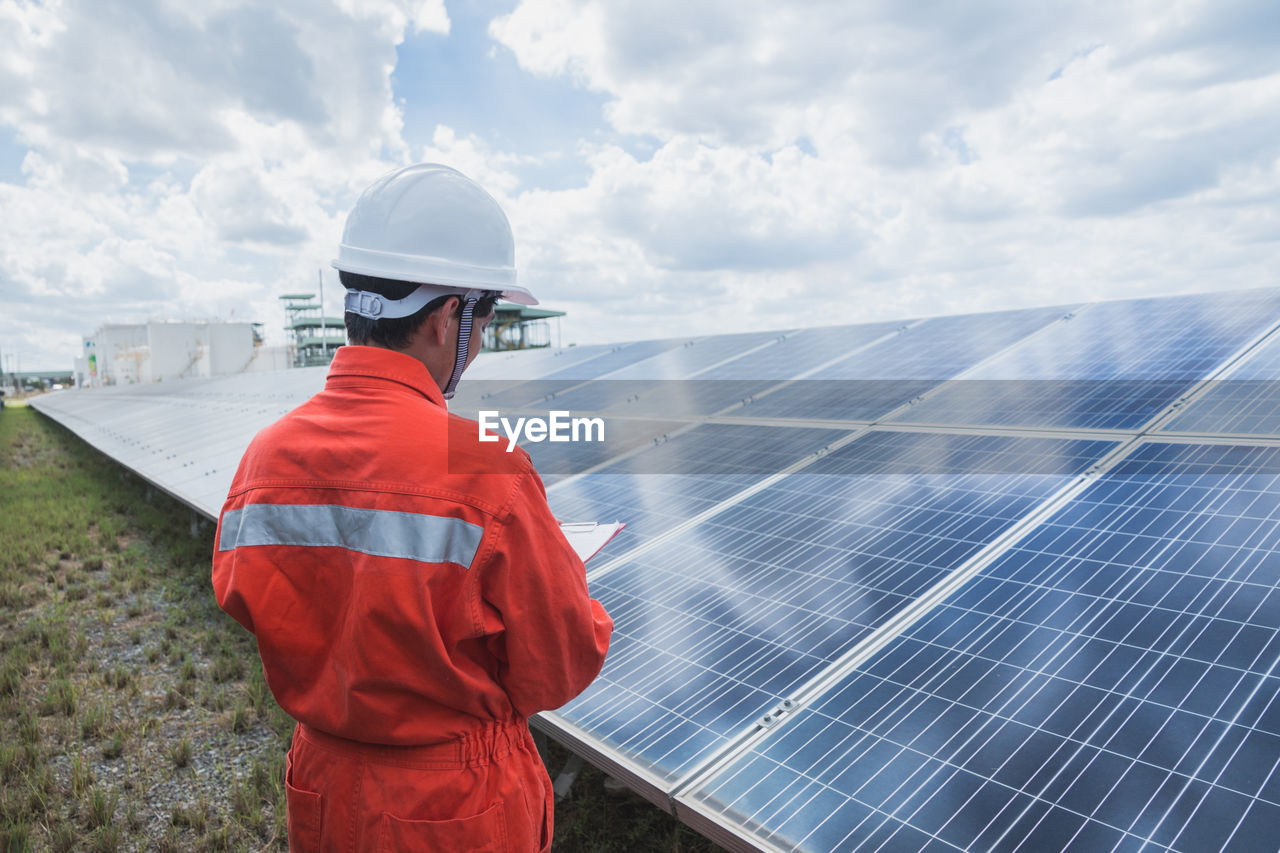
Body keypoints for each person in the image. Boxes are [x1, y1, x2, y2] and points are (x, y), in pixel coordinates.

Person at [212, 163, 613, 852]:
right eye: (485, 317)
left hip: (324, 788)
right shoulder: (487, 462)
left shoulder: (263, 458)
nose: (482, 340)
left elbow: (249, 597)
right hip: (452, 807)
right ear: (447, 316)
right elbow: (562, 661)